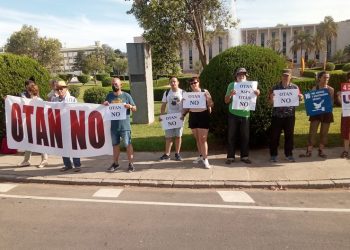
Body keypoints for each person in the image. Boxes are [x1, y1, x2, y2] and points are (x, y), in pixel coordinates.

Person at [224, 68, 260, 164]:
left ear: (246, 76)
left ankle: (244, 156)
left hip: (245, 115)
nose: (241, 76)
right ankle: (230, 157)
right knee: (231, 136)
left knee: (245, 137)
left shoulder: (251, 86)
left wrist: (257, 93)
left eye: (243, 74)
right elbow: (226, 101)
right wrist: (231, 95)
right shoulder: (232, 85)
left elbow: (254, 97)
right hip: (233, 114)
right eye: (239, 74)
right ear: (236, 76)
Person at [268, 69, 303, 162]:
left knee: (289, 136)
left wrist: (301, 97)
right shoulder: (275, 88)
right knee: (274, 136)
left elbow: (299, 99)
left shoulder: (295, 88)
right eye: (284, 75)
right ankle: (273, 155)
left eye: (287, 75)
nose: (285, 77)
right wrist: (271, 99)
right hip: (277, 116)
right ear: (281, 76)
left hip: (290, 116)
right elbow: (270, 103)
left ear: (290, 76)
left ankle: (289, 154)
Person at [103, 77, 137, 173]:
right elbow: (105, 108)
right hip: (114, 127)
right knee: (115, 145)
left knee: (128, 144)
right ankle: (115, 163)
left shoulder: (126, 96)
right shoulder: (109, 96)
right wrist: (104, 104)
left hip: (124, 126)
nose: (114, 85)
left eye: (116, 84)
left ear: (121, 85)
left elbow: (135, 108)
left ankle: (131, 164)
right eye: (113, 84)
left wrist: (130, 106)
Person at [300, 71, 334, 158]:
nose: (326, 79)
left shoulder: (331, 89)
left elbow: (331, 103)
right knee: (312, 132)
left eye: (328, 78)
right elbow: (310, 101)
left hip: (327, 113)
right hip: (316, 113)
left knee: (324, 133)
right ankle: (309, 151)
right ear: (319, 78)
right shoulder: (315, 88)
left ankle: (321, 151)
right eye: (324, 77)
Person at [182, 77, 214, 169]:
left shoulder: (204, 91)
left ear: (198, 83)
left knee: (203, 139)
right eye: (191, 83)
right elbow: (187, 108)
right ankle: (201, 156)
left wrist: (208, 100)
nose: (193, 85)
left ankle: (206, 158)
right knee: (197, 139)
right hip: (193, 116)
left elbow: (211, 104)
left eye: (195, 83)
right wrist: (183, 110)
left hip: (203, 115)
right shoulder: (189, 95)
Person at [51, 81, 82, 172]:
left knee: (73, 145)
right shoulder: (54, 100)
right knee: (62, 146)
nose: (60, 90)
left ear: (66, 89)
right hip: (59, 127)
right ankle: (67, 164)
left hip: (71, 126)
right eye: (58, 89)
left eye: (62, 88)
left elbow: (78, 112)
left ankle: (77, 165)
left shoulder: (72, 99)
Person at [17, 84, 49, 168]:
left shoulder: (39, 100)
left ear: (31, 91)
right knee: (29, 142)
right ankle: (26, 160)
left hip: (38, 124)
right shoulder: (28, 100)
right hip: (30, 124)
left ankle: (44, 160)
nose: (27, 92)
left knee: (40, 142)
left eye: (28, 90)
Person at [159, 77, 184, 161]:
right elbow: (163, 105)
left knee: (178, 136)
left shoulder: (183, 92)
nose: (173, 83)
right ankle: (167, 154)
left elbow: (186, 105)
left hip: (179, 118)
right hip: (169, 117)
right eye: (171, 82)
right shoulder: (166, 93)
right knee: (168, 136)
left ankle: (177, 154)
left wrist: (183, 114)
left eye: (174, 81)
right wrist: (161, 115)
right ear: (170, 83)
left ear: (178, 82)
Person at [337, 72, 350, 158]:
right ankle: (346, 151)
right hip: (347, 113)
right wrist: (339, 96)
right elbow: (342, 103)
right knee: (346, 132)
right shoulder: (345, 88)